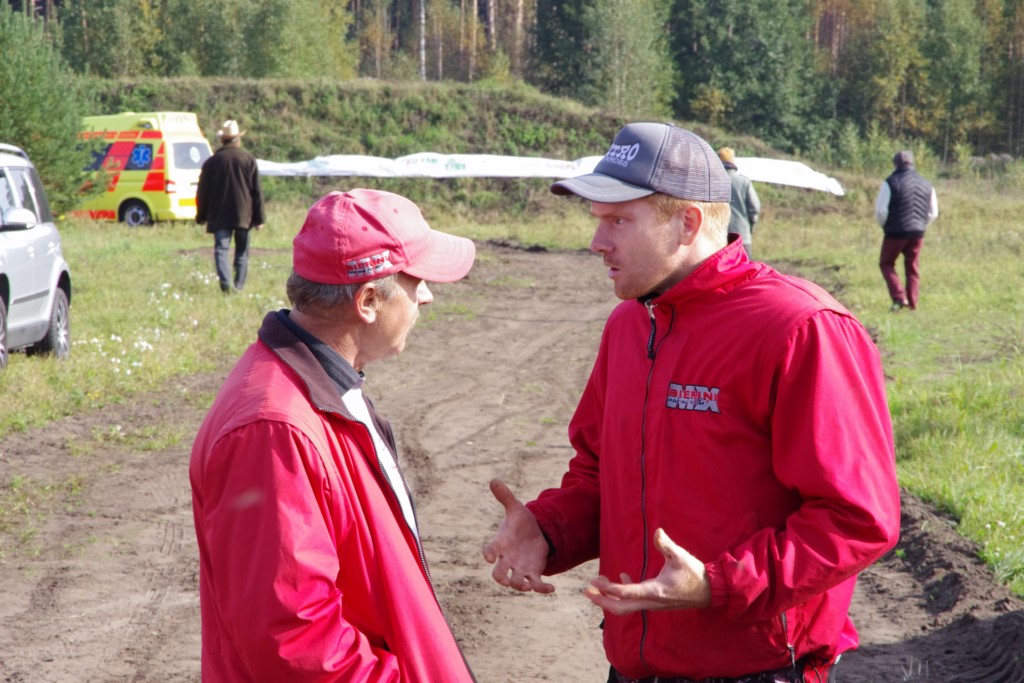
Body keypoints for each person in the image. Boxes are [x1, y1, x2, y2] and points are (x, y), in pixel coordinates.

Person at [482, 122, 900, 683]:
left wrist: (717, 585)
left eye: (618, 221)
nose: (597, 242)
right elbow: (602, 475)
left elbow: (857, 519)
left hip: (757, 670)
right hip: (631, 667)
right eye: (597, 220)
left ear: (689, 222)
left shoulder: (801, 329)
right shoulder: (629, 325)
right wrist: (550, 530)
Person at [190, 189, 477, 681]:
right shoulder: (273, 431)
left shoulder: (320, 388)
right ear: (368, 301)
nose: (426, 295)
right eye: (417, 281)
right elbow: (294, 642)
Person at [196, 119, 265, 293]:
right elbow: (257, 191)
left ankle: (227, 286)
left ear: (222, 140)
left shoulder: (211, 162)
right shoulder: (248, 159)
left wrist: (201, 215)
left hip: (219, 214)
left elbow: (202, 192)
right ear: (238, 140)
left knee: (221, 250)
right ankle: (239, 287)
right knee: (242, 252)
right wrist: (259, 218)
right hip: (244, 214)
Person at [875, 150, 938, 311]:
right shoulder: (926, 183)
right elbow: (933, 212)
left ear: (895, 164)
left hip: (895, 232)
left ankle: (899, 297)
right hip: (918, 233)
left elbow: (881, 211)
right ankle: (913, 302)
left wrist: (886, 226)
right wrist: (922, 226)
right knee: (912, 267)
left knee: (886, 263)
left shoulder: (890, 182)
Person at [718, 146, 761, 259]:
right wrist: (751, 226)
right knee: (744, 268)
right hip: (742, 236)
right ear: (733, 161)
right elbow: (755, 207)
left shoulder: (713, 181)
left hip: (718, 237)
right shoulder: (744, 181)